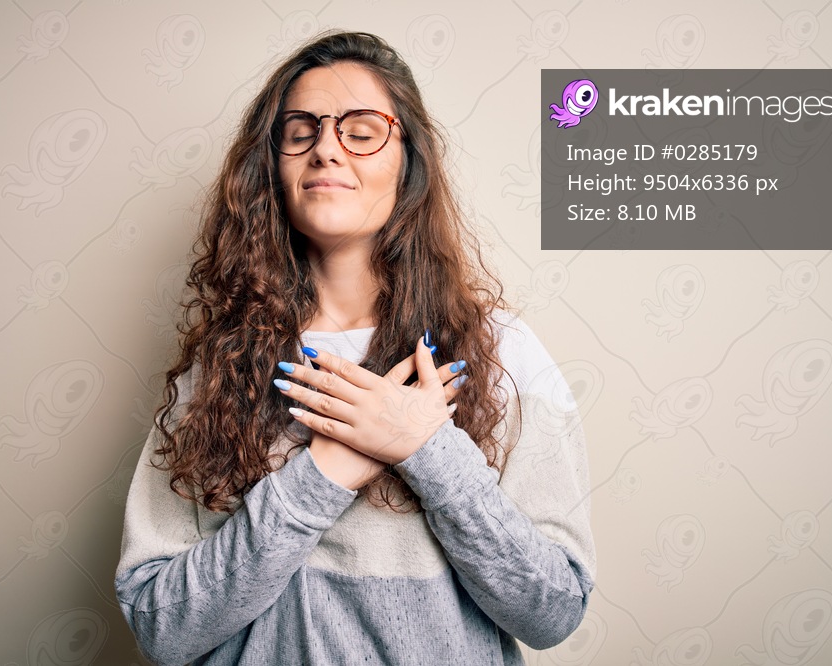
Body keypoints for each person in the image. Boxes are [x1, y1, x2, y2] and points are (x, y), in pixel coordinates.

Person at [115, 30, 596, 665]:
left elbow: (553, 608)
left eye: (361, 130)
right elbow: (161, 625)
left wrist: (427, 449)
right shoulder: (219, 369)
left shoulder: (503, 353)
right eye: (300, 131)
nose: (326, 150)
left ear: (408, 159)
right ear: (273, 167)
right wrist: (321, 473)